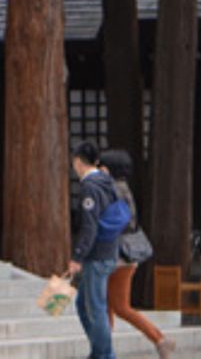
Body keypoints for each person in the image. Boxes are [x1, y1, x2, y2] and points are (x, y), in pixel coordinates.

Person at [101, 149, 174, 359]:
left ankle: (159, 338)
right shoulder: (124, 189)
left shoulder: (111, 190)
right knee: (110, 305)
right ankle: (106, 350)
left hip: (116, 255)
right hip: (126, 255)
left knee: (118, 306)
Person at [67, 141, 126, 359]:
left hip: (96, 255)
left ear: (78, 162)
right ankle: (99, 351)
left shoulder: (89, 188)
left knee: (96, 308)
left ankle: (104, 354)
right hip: (109, 249)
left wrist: (77, 256)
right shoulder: (107, 182)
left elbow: (89, 226)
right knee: (83, 304)